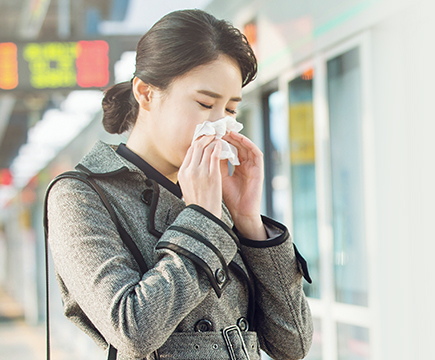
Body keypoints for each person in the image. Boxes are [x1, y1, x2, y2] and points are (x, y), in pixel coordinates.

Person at [44, 9, 313, 360]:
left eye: (231, 110)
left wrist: (249, 222)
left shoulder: (218, 196)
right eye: (205, 103)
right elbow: (133, 330)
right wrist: (202, 217)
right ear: (146, 93)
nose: (220, 125)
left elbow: (292, 345)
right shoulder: (80, 195)